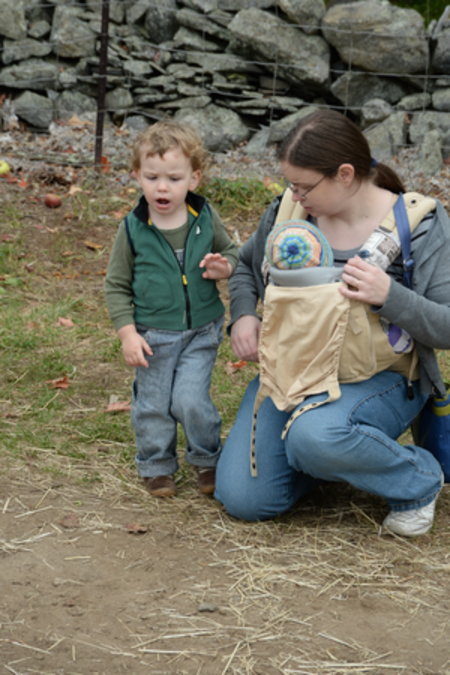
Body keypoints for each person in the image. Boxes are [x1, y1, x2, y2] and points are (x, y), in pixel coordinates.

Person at [215, 108, 450, 536]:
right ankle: (333, 456)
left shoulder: (418, 225)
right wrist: (244, 315)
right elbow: (247, 266)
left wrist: (391, 296)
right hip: (293, 376)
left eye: (304, 186)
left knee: (314, 435)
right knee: (245, 499)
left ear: (345, 174)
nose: (295, 195)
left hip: (382, 380)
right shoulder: (289, 213)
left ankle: (418, 479)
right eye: (290, 184)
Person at [105, 120, 238, 498]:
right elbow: (116, 286)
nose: (162, 187)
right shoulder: (133, 229)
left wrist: (224, 267)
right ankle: (156, 466)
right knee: (153, 405)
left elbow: (231, 252)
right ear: (137, 175)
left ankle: (207, 459)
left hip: (201, 331)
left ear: (194, 179)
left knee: (190, 400)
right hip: (153, 337)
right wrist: (128, 334)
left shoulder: (204, 217)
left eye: (174, 178)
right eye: (152, 177)